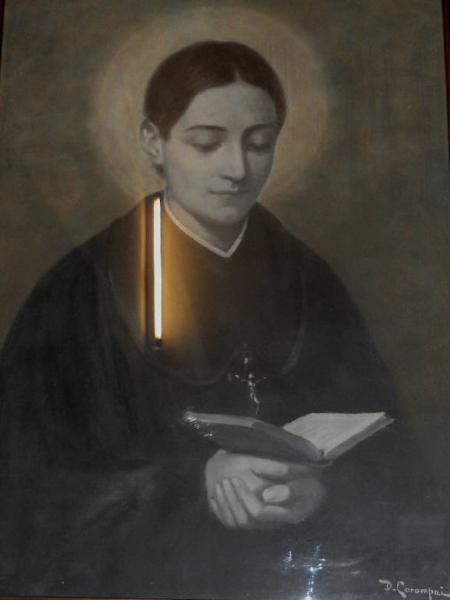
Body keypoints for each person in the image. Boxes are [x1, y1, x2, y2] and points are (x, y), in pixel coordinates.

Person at [0, 41, 435, 599]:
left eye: (259, 144)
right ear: (152, 142)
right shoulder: (80, 289)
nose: (237, 169)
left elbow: (396, 465)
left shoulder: (311, 280)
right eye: (207, 143)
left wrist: (322, 491)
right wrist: (195, 484)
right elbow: (27, 486)